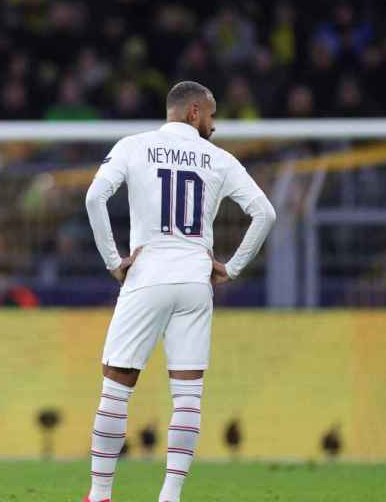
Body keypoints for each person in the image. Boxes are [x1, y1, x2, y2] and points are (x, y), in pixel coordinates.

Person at [82, 81, 276, 502]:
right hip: (194, 279)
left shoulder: (134, 145)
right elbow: (264, 213)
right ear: (192, 111)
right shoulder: (220, 159)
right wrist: (232, 267)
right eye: (212, 114)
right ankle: (169, 497)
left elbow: (95, 197)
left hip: (146, 274)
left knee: (116, 387)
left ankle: (99, 495)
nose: (215, 124)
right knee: (187, 395)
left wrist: (113, 261)